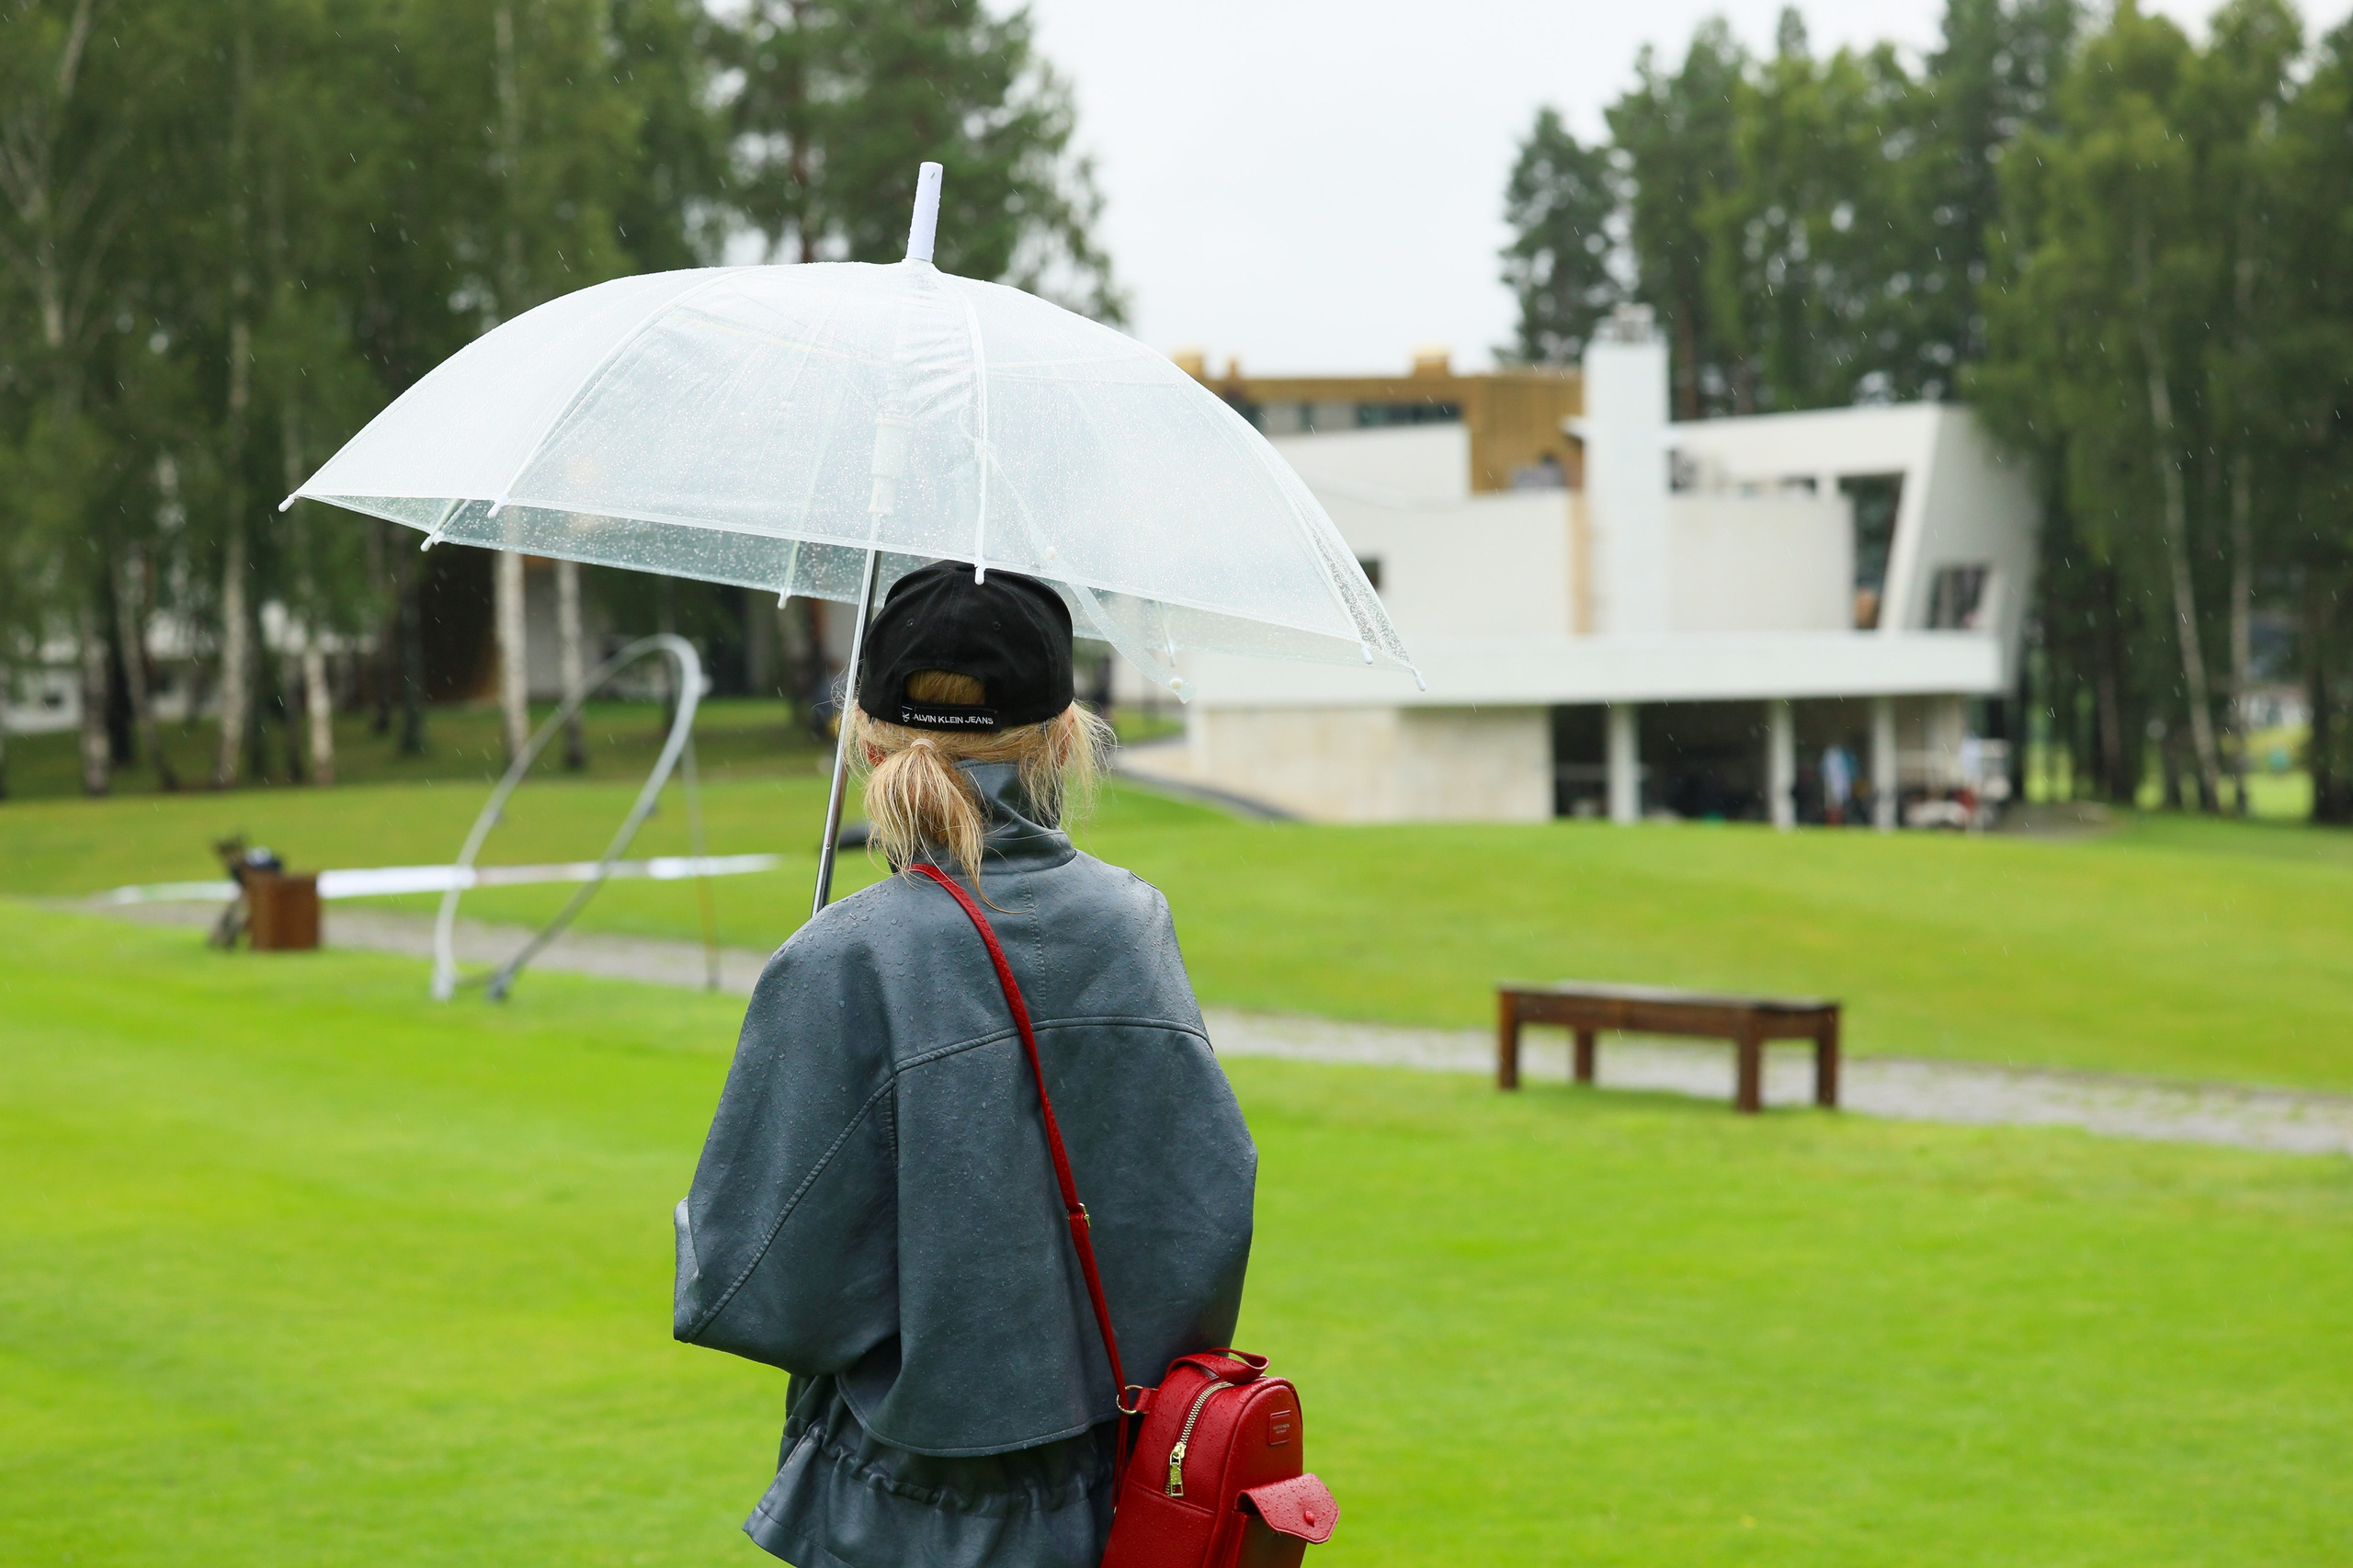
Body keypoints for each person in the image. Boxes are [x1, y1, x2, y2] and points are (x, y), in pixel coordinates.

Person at [673, 561, 1257, 1568]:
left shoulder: (844, 956)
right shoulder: (1132, 921)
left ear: (865, 731)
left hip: (907, 1513)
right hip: (1124, 1493)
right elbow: (1205, 1215)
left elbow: (752, 1290)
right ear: (1066, 734)